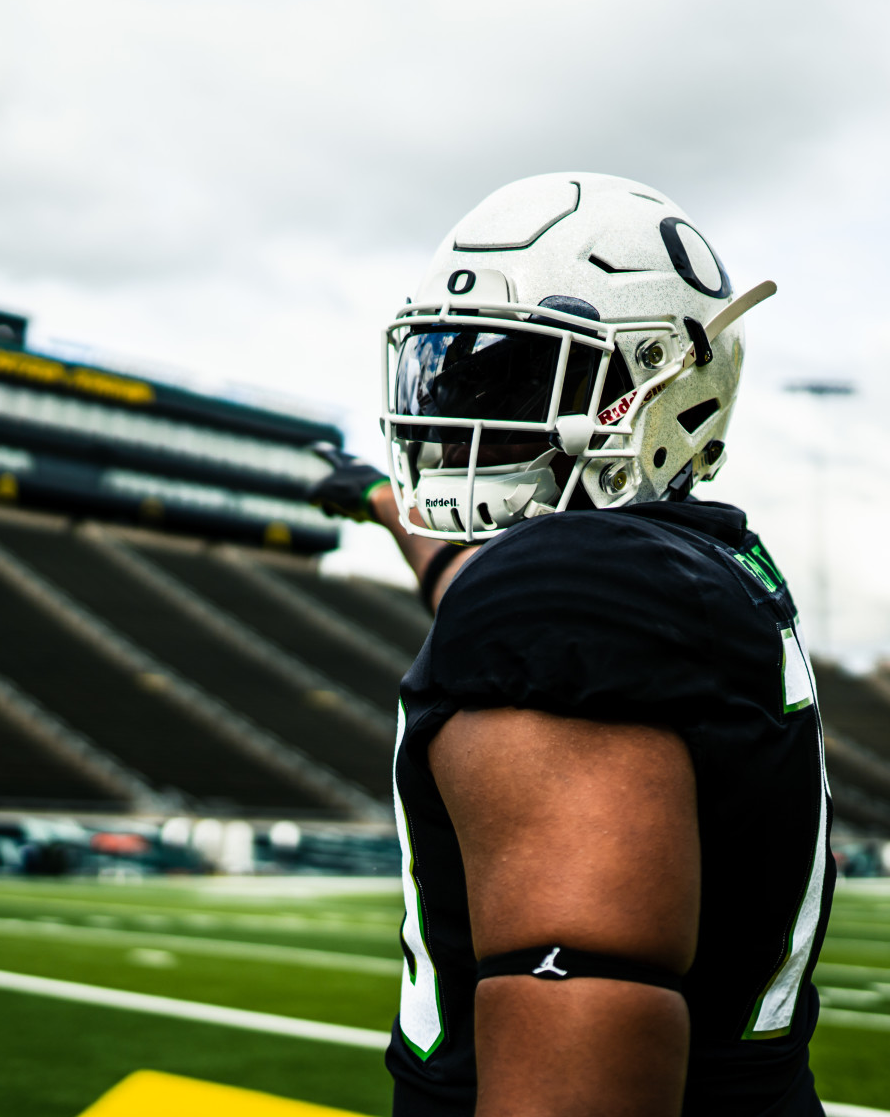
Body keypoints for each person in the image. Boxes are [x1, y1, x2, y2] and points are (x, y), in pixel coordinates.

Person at [308, 173, 834, 1117]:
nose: (454, 405)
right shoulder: (702, 570)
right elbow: (487, 591)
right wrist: (382, 506)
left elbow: (582, 1039)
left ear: (659, 387)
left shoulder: (574, 593)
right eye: (448, 366)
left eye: (508, 374)